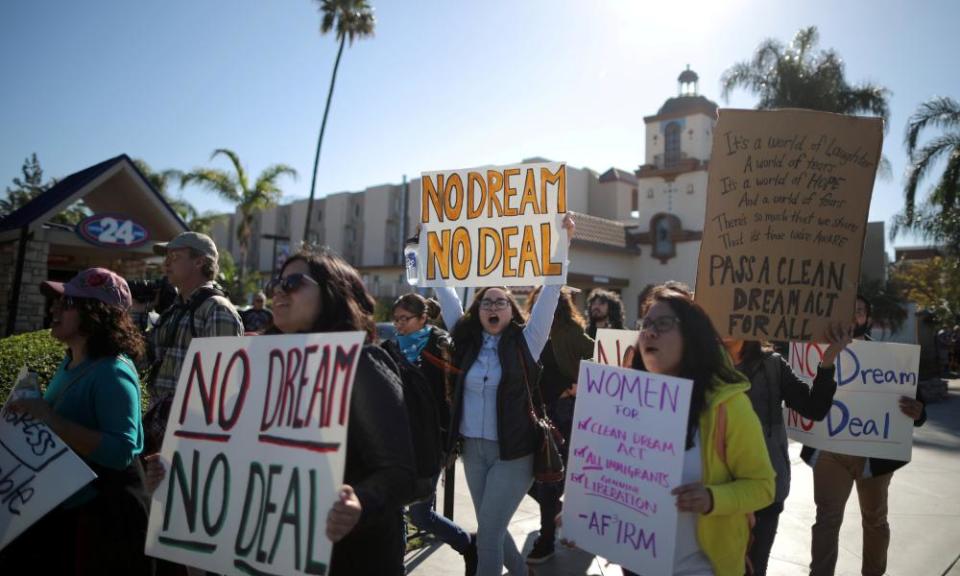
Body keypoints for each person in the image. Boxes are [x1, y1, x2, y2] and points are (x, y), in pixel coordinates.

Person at [434, 213, 575, 576]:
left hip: (513, 453)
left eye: (500, 302)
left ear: (511, 311)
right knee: (493, 529)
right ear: (477, 311)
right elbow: (443, 291)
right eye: (486, 302)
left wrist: (564, 242)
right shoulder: (464, 342)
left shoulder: (527, 342)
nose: (493, 307)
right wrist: (418, 248)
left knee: (489, 533)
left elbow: (551, 290)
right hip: (474, 453)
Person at [616, 284, 775, 575]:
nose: (650, 332)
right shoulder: (626, 405)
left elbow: (763, 487)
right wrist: (583, 511)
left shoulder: (729, 407)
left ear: (691, 336)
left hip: (703, 567)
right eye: (646, 324)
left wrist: (713, 498)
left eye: (663, 324)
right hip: (638, 564)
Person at [2, 268, 151, 574]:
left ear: (97, 314)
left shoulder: (113, 372)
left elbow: (122, 450)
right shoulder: (72, 361)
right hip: (68, 514)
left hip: (103, 527)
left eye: (67, 302)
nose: (53, 308)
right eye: (57, 301)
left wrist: (49, 417)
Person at [805, 294, 927, 576]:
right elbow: (802, 399)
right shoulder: (813, 352)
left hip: (876, 454)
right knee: (826, 519)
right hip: (829, 452)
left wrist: (917, 411)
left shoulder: (889, 357)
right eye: (846, 311)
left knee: (874, 519)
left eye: (858, 311)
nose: (852, 316)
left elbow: (918, 410)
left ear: (867, 319)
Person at [722, 332, 847, 576]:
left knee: (754, 569)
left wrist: (828, 360)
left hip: (766, 489)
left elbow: (814, 408)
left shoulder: (773, 366)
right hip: (715, 489)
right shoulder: (700, 366)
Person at [389, 293, 478, 575]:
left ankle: (466, 544)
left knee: (420, 514)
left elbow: (453, 395)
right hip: (398, 439)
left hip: (431, 441)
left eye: (405, 320)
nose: (399, 325)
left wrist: (449, 442)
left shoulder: (441, 345)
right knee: (394, 509)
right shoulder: (391, 347)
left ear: (423, 318)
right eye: (396, 320)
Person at [144, 231, 244, 452]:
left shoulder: (217, 309)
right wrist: (137, 313)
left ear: (199, 262)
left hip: (191, 436)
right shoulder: (174, 309)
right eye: (166, 257)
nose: (166, 263)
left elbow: (221, 386)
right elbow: (143, 359)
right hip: (158, 427)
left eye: (175, 257)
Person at [524, 286, 594, 565]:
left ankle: (547, 538)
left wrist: (574, 386)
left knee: (549, 478)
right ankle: (557, 512)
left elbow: (600, 355)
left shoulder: (571, 333)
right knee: (529, 477)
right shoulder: (530, 330)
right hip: (535, 411)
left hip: (563, 413)